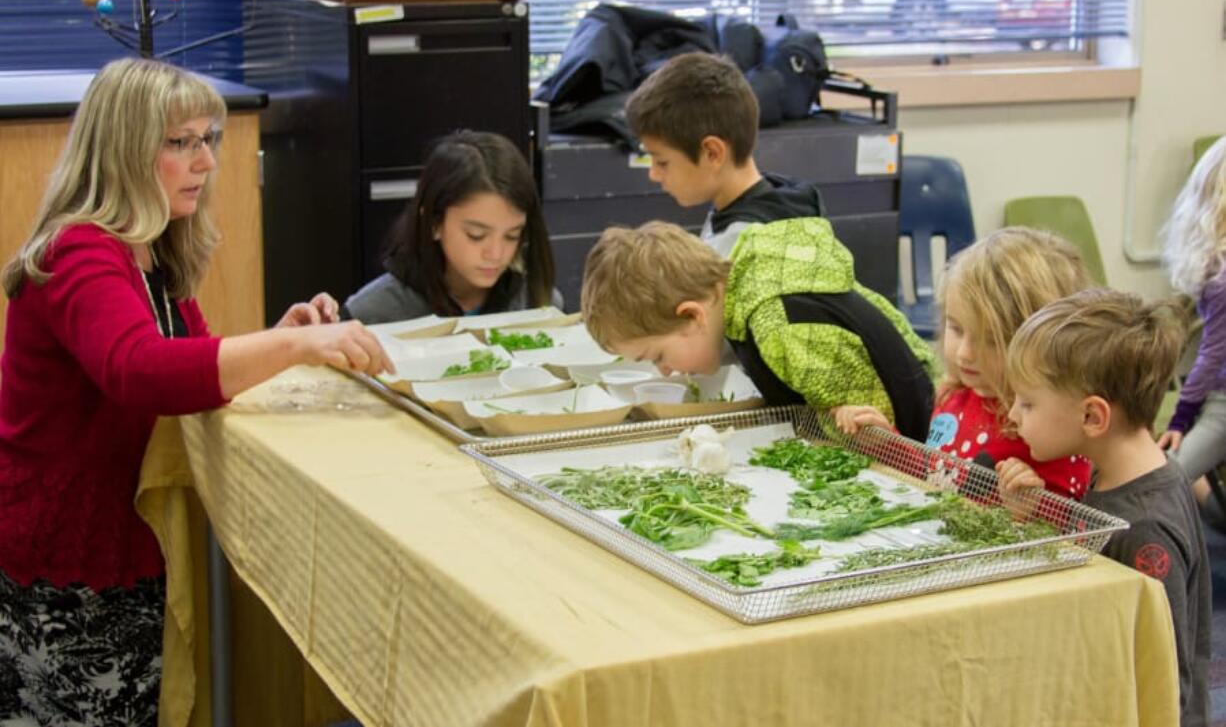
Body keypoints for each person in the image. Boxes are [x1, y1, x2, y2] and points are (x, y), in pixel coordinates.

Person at [0, 57, 393, 725]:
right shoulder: (81, 251)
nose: (205, 161)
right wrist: (293, 347)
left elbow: (190, 367)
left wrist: (276, 335)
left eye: (207, 138)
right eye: (180, 143)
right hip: (65, 560)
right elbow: (140, 371)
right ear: (123, 152)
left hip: (126, 538)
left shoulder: (149, 251)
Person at [1001, 289, 1208, 727]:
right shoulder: (1119, 474)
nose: (1012, 415)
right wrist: (1032, 514)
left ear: (1093, 417)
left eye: (1028, 402)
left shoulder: (1146, 525)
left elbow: (1159, 666)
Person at [581, 218, 937, 438]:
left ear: (692, 316)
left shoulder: (777, 326)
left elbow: (869, 430)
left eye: (658, 355)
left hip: (915, 448)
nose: (665, 370)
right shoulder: (743, 289)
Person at [834, 227, 1094, 498]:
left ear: (1042, 343)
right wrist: (886, 442)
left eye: (991, 339)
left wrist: (1028, 508)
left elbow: (1073, 527)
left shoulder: (1050, 423)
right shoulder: (955, 396)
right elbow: (933, 474)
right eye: (956, 328)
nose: (965, 354)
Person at [344, 130, 558, 324]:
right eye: (476, 235)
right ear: (434, 223)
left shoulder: (541, 302)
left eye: (512, 236)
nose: (496, 254)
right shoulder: (369, 315)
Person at [624, 52, 823, 257]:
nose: (654, 174)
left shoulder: (737, 249)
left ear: (712, 153)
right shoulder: (787, 202)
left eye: (662, 162)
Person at [1158, 135, 1226, 514]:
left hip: (1222, 402)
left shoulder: (1221, 277)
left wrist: (1181, 416)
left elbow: (1211, 357)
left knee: (1168, 477)